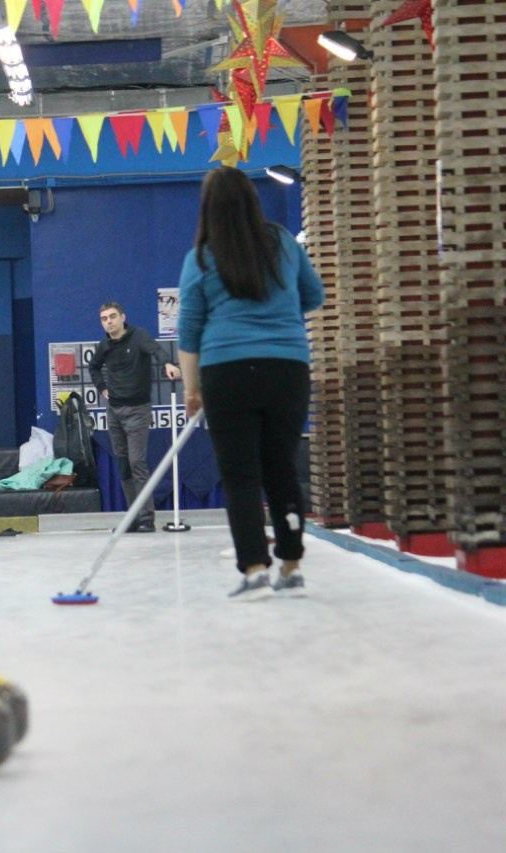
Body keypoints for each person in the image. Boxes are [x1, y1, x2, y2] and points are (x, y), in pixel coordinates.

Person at [176, 166, 325, 601]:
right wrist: (279, 309)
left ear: (209, 209)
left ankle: (256, 570)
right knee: (282, 469)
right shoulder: (283, 242)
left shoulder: (201, 258)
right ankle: (292, 567)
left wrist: (191, 389)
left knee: (240, 475)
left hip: (227, 371)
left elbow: (189, 330)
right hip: (287, 368)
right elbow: (314, 296)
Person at [87, 302, 182, 532]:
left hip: (138, 410)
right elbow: (93, 367)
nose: (109, 322)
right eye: (104, 319)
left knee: (136, 462)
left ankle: (147, 518)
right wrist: (102, 388)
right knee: (123, 465)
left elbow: (156, 350)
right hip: (114, 411)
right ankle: (134, 516)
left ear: (122, 317)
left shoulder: (139, 336)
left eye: (112, 317)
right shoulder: (104, 345)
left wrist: (167, 363)